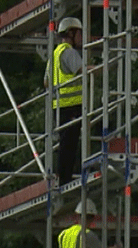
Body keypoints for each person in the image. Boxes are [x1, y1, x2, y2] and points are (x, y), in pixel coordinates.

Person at [45, 16, 85, 186]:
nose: (81, 38)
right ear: (71, 32)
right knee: (69, 145)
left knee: (65, 144)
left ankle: (63, 178)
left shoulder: (55, 54)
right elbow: (82, 71)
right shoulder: (69, 52)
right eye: (79, 33)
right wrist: (103, 68)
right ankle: (65, 180)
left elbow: (46, 82)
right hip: (71, 106)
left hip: (59, 107)